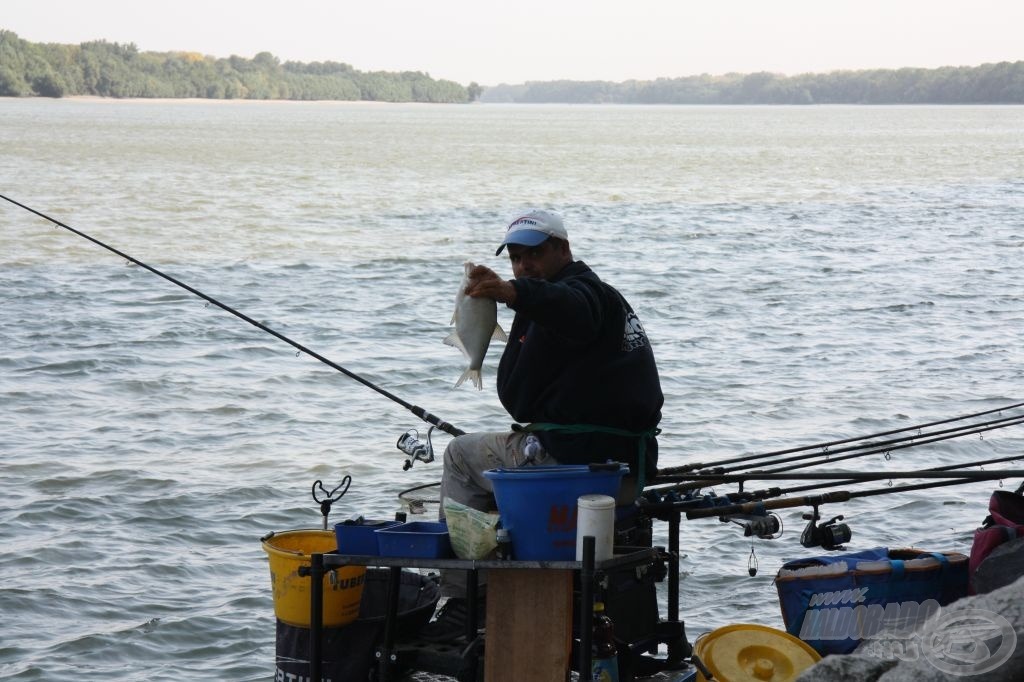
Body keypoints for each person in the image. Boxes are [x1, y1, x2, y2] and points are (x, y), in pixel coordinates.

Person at [422, 208, 664, 641]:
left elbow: (572, 308)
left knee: (461, 456)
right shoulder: (581, 298)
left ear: (563, 249)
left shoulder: (583, 296)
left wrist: (516, 292)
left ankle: (462, 600)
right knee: (491, 458)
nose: (523, 264)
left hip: (575, 465)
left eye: (533, 253)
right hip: (624, 468)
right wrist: (518, 293)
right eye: (515, 257)